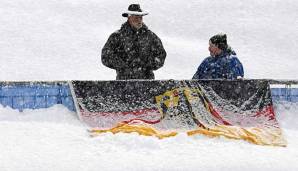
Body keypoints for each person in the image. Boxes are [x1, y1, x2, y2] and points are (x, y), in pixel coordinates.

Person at [101, 4, 167, 80]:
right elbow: (105, 56)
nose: (139, 20)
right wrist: (123, 66)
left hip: (147, 82)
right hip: (124, 82)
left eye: (141, 18)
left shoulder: (151, 36)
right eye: (136, 18)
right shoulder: (117, 36)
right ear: (129, 18)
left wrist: (147, 65)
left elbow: (161, 54)